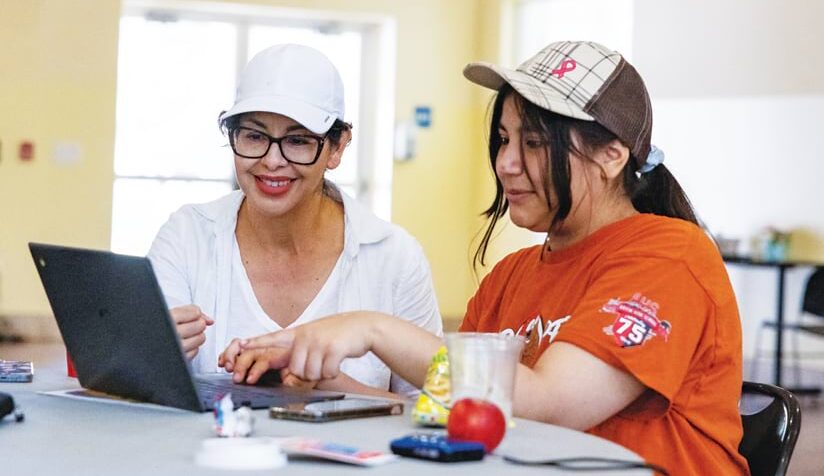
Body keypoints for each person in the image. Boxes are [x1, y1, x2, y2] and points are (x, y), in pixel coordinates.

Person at [222, 41, 749, 474]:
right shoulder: (510, 277)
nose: (507, 164)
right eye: (502, 140)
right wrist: (322, 380)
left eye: (536, 143)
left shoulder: (669, 256)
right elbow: (443, 414)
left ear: (612, 155)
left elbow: (550, 405)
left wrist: (371, 328)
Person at [147, 44, 442, 399]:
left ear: (337, 147)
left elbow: (435, 409)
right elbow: (140, 395)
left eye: (297, 140)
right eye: (255, 136)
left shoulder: (394, 257)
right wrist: (145, 355)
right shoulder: (187, 236)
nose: (272, 161)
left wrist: (322, 384)